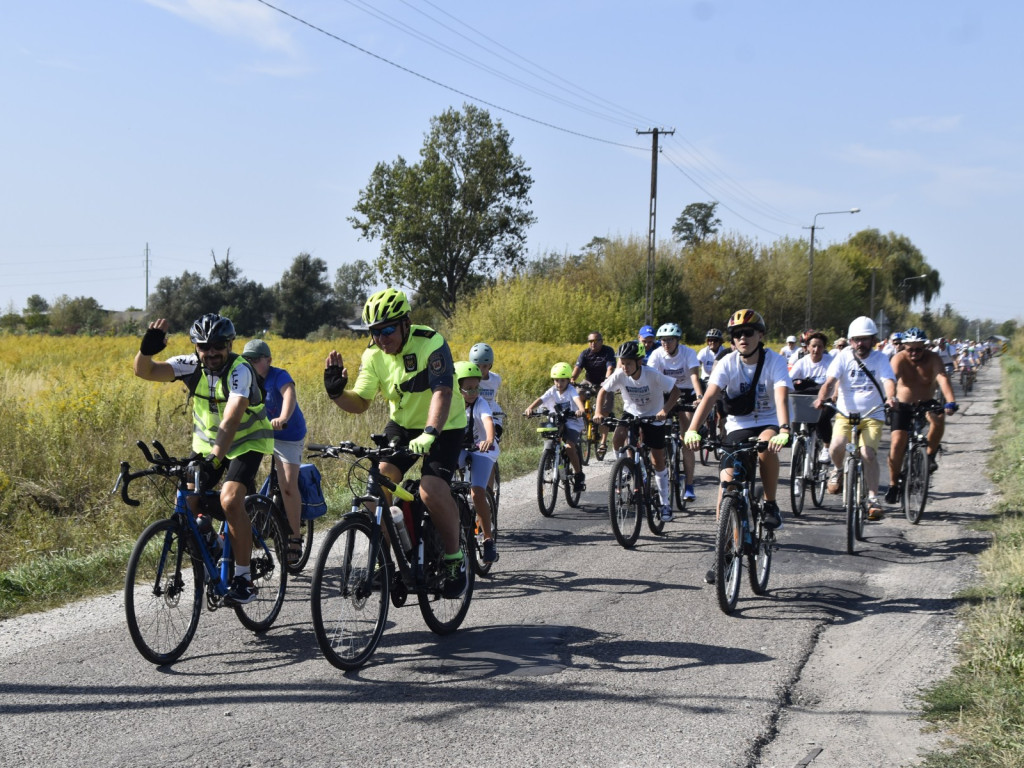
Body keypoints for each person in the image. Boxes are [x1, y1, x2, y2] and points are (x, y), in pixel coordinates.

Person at [323, 288, 468, 599]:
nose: (382, 338)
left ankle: (455, 560)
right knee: (377, 488)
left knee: (430, 489)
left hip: (444, 423)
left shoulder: (431, 342)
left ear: (406, 323)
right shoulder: (373, 355)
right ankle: (393, 562)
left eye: (388, 329)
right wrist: (336, 393)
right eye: (375, 332)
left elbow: (442, 392)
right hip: (402, 423)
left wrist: (430, 432)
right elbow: (361, 402)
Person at [134, 314, 274, 605]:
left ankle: (244, 578)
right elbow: (145, 371)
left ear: (229, 344)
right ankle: (216, 546)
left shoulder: (240, 370)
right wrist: (146, 350)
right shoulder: (190, 365)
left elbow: (233, 415)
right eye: (203, 346)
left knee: (230, 499)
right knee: (188, 501)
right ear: (196, 347)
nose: (211, 352)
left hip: (247, 442)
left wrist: (214, 458)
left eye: (218, 346)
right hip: (208, 444)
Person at [684, 309, 791, 584]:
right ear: (732, 341)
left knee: (766, 447)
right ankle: (724, 552)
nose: (743, 338)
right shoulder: (727, 363)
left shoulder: (775, 362)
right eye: (737, 335)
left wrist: (785, 429)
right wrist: (692, 430)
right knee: (727, 485)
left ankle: (769, 505)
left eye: (748, 333)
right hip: (738, 425)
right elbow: (709, 396)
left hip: (768, 421)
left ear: (760, 335)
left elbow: (781, 396)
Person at [813, 316, 896, 521]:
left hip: (872, 414)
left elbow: (888, 380)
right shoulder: (842, 357)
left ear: (873, 340)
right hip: (845, 414)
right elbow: (830, 381)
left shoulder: (880, 359)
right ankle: (839, 469)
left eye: (865, 339)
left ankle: (873, 498)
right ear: (850, 341)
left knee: (867, 454)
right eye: (856, 339)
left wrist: (891, 397)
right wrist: (821, 398)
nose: (860, 343)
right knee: (835, 447)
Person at [595, 341, 679, 522]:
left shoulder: (652, 375)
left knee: (658, 459)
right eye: (622, 362)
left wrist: (664, 410)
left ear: (639, 362)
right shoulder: (620, 374)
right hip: (631, 412)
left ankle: (665, 503)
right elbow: (603, 391)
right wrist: (598, 412)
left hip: (653, 416)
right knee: (618, 438)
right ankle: (623, 468)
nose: (625, 367)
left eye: (629, 363)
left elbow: (675, 392)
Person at [241, 339, 308, 566]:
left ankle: (295, 536)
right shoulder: (244, 378)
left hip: (287, 434)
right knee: (240, 477)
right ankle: (254, 519)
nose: (251, 363)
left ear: (268, 360)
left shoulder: (279, 376)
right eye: (247, 360)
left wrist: (283, 418)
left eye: (256, 359)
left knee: (288, 486)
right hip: (260, 434)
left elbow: (289, 395)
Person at [885, 328, 958, 504]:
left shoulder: (933, 358)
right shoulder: (899, 359)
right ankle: (894, 484)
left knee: (939, 419)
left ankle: (930, 455)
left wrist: (950, 401)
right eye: (910, 349)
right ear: (904, 346)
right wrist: (888, 399)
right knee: (897, 443)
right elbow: (890, 379)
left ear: (925, 347)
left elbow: (942, 379)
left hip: (925, 402)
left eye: (919, 349)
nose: (914, 353)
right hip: (902, 405)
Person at [647, 322, 703, 502]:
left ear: (677, 340)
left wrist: (700, 396)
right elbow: (651, 378)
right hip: (664, 393)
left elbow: (694, 376)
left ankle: (689, 484)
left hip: (686, 391)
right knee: (657, 433)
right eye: (663, 340)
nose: (666, 343)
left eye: (670, 340)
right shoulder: (656, 354)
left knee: (686, 437)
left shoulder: (688, 353)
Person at [455, 361, 499, 563]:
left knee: (477, 492)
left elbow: (488, 421)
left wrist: (489, 439)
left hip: (483, 449)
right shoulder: (452, 403)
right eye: (468, 388)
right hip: (462, 448)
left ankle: (488, 539)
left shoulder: (480, 403)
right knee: (443, 483)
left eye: (476, 387)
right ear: (457, 388)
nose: (473, 392)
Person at [524, 362, 586, 493]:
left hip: (572, 422)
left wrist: (580, 409)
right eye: (556, 380)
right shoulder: (552, 390)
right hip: (557, 421)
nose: (559, 383)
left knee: (569, 447)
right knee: (550, 439)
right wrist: (530, 408)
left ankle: (579, 474)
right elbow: (541, 399)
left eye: (562, 380)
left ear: (568, 380)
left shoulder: (571, 390)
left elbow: (577, 399)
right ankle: (549, 457)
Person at [789, 330, 834, 458]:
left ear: (824, 348)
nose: (816, 349)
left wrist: (834, 395)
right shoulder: (802, 362)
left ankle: (826, 447)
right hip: (806, 399)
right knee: (794, 412)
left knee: (822, 418)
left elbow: (837, 380)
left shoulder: (830, 361)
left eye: (819, 346)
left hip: (826, 399)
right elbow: (789, 380)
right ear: (808, 347)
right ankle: (796, 440)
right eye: (813, 346)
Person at [570, 331, 616, 459]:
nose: (593, 344)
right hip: (589, 381)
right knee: (577, 396)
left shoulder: (608, 351)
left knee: (604, 410)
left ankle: (603, 441)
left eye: (596, 341)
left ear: (601, 341)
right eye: (590, 341)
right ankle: (582, 422)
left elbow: (610, 367)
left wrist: (607, 380)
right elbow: (578, 367)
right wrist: (572, 379)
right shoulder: (585, 353)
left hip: (605, 382)